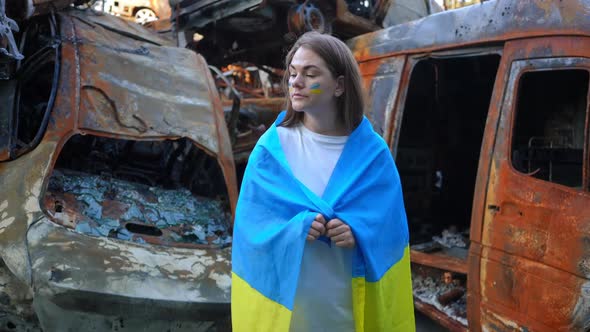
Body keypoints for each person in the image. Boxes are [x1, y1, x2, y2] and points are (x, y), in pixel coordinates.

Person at [231, 31, 415, 332]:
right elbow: (250, 230)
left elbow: (391, 231)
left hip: (348, 314)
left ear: (340, 85)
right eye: (292, 74)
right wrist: (295, 228)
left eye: (310, 73)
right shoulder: (271, 150)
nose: (296, 82)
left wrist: (358, 231)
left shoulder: (374, 155)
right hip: (288, 316)